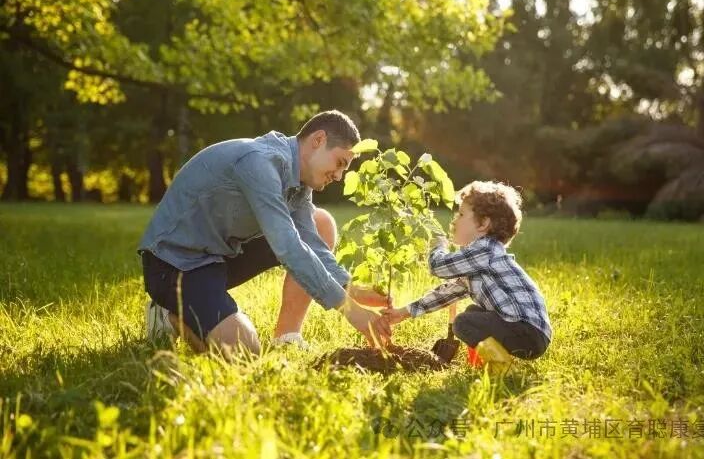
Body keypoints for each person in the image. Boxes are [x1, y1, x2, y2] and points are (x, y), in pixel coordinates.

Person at [138, 110, 391, 355]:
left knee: (320, 222)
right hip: (174, 265)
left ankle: (287, 337)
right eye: (340, 163)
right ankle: (167, 315)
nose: (338, 175)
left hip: (218, 257)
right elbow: (289, 247)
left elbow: (312, 244)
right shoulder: (259, 162)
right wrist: (351, 311)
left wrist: (352, 289)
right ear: (318, 140)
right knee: (244, 351)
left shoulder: (300, 183)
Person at [379, 181, 552, 366]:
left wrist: (438, 245)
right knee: (472, 314)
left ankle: (501, 368)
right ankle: (483, 363)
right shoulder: (479, 261)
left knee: (463, 323)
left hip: (527, 330)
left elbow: (438, 266)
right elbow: (445, 294)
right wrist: (403, 313)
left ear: (483, 223)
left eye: (461, 214)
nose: (454, 220)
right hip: (530, 331)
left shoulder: (485, 250)